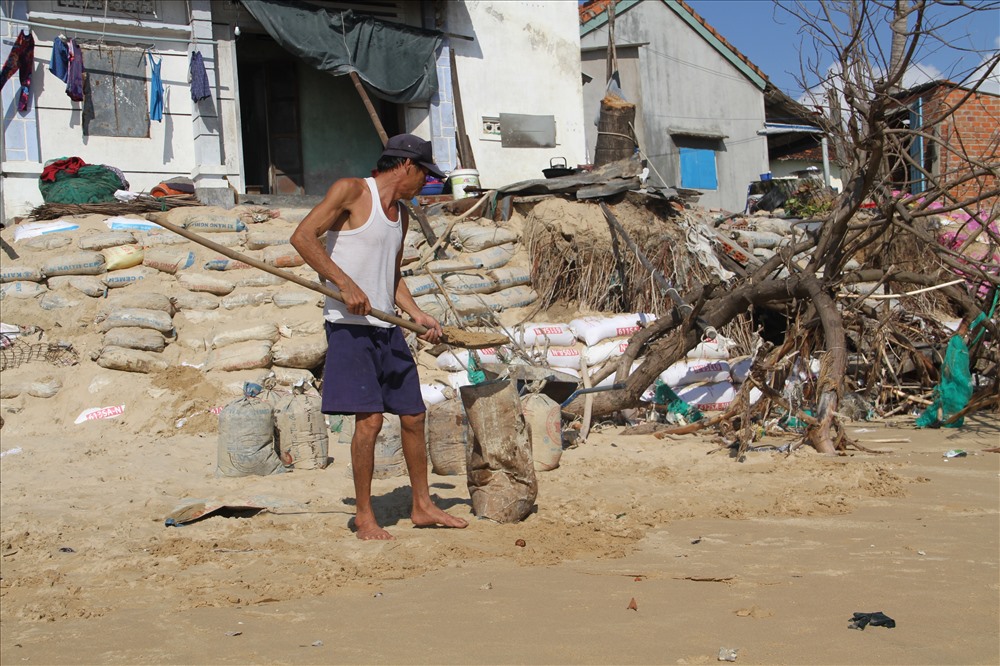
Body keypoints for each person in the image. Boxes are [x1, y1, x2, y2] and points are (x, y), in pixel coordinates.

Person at [290, 134, 469, 540]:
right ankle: (364, 516)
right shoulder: (351, 191)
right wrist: (344, 284)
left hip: (388, 327)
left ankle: (422, 505)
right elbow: (302, 237)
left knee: (413, 415)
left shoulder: (400, 215)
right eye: (425, 175)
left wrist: (416, 313)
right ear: (406, 165)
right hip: (350, 328)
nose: (427, 183)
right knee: (369, 421)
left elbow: (392, 274)